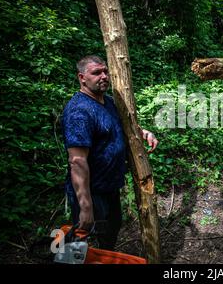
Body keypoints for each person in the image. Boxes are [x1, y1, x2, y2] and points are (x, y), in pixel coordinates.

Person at [61, 55, 158, 249]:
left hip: (110, 187)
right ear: (82, 78)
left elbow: (118, 127)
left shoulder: (109, 102)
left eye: (105, 71)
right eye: (96, 73)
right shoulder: (79, 111)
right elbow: (77, 160)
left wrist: (143, 132)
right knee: (81, 238)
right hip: (92, 191)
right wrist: (85, 206)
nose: (104, 76)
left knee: (110, 232)